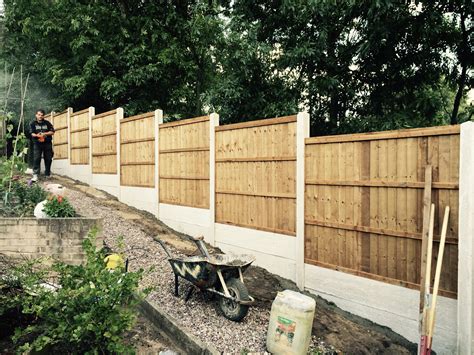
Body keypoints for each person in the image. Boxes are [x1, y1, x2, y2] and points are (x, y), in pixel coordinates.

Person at [30, 109, 54, 182]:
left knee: (48, 158)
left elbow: (52, 132)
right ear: (36, 115)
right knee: (37, 158)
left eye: (42, 115)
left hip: (47, 143)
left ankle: (47, 174)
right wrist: (37, 135)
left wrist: (44, 134)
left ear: (44, 116)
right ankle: (36, 174)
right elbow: (32, 133)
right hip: (37, 144)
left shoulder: (47, 123)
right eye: (39, 115)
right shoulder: (33, 123)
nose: (40, 116)